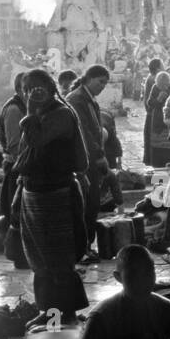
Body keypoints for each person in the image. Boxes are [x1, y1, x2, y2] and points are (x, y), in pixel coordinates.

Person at [14, 68, 89, 322]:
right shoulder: (40, 114)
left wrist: (29, 111)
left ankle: (62, 315)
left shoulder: (61, 114)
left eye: (37, 89)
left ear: (50, 89)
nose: (31, 94)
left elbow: (37, 141)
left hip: (56, 195)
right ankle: (48, 311)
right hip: (34, 194)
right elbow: (26, 156)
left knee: (58, 260)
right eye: (26, 90)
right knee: (39, 259)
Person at [66, 64, 111, 260]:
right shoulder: (77, 99)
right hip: (83, 161)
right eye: (100, 82)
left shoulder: (88, 99)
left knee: (92, 205)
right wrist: (99, 155)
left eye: (105, 84)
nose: (102, 87)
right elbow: (84, 133)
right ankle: (81, 249)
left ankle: (86, 246)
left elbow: (96, 130)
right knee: (85, 206)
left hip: (90, 159)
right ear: (90, 79)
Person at [0, 73, 29, 266]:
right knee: (17, 215)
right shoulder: (14, 110)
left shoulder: (26, 107)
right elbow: (15, 146)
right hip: (18, 169)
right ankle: (19, 256)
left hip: (23, 167)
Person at [146, 70, 170, 167]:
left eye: (165, 85)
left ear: (169, 82)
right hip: (158, 121)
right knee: (157, 148)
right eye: (161, 86)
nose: (163, 88)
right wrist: (158, 99)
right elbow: (150, 103)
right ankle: (157, 166)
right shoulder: (155, 87)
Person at [98, 107, 124, 211]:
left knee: (111, 173)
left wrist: (119, 162)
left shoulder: (110, 132)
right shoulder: (89, 133)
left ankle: (105, 196)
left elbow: (116, 145)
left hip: (106, 120)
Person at [141, 57, 165, 164]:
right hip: (154, 114)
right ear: (158, 68)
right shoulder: (155, 79)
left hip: (151, 113)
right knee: (156, 143)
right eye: (162, 65)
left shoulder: (150, 77)